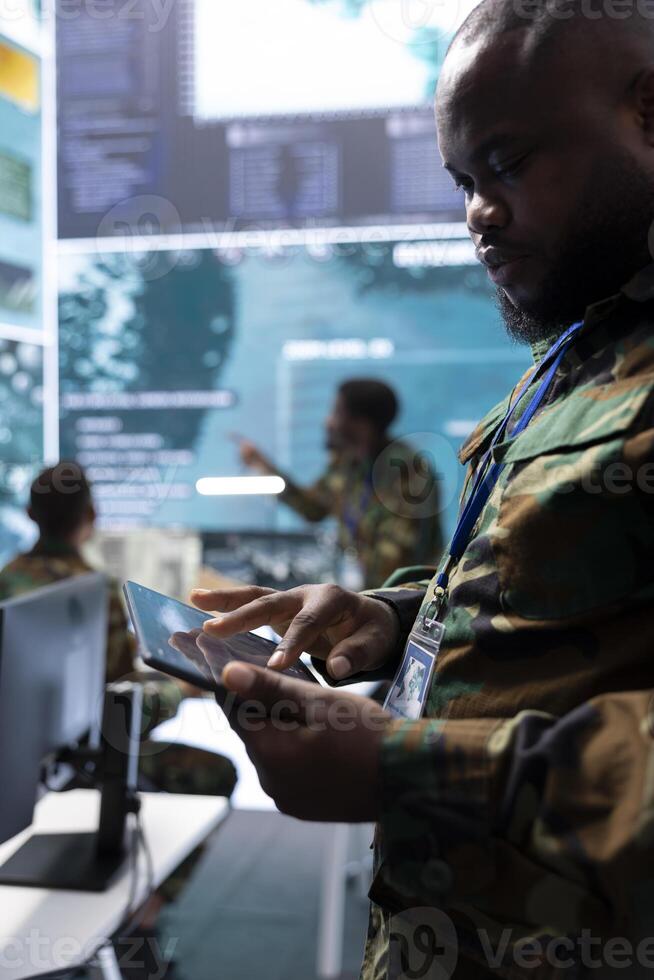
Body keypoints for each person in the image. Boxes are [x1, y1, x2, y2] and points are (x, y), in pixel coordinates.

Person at [183, 4, 654, 977]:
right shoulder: (577, 349)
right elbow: (561, 584)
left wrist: (412, 766)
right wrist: (392, 611)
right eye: (463, 181)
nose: (478, 211)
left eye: (510, 163)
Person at [0, 463, 236, 907]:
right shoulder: (92, 592)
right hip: (74, 760)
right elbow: (122, 711)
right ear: (92, 514)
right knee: (219, 773)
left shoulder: (7, 582)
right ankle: (149, 910)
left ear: (31, 513)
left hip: (19, 764)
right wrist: (179, 689)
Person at [238, 378, 444, 590]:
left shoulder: (407, 470)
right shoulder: (347, 464)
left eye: (337, 413)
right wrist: (263, 467)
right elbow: (313, 509)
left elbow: (398, 559)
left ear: (362, 425)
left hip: (405, 601)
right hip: (370, 597)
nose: (328, 422)